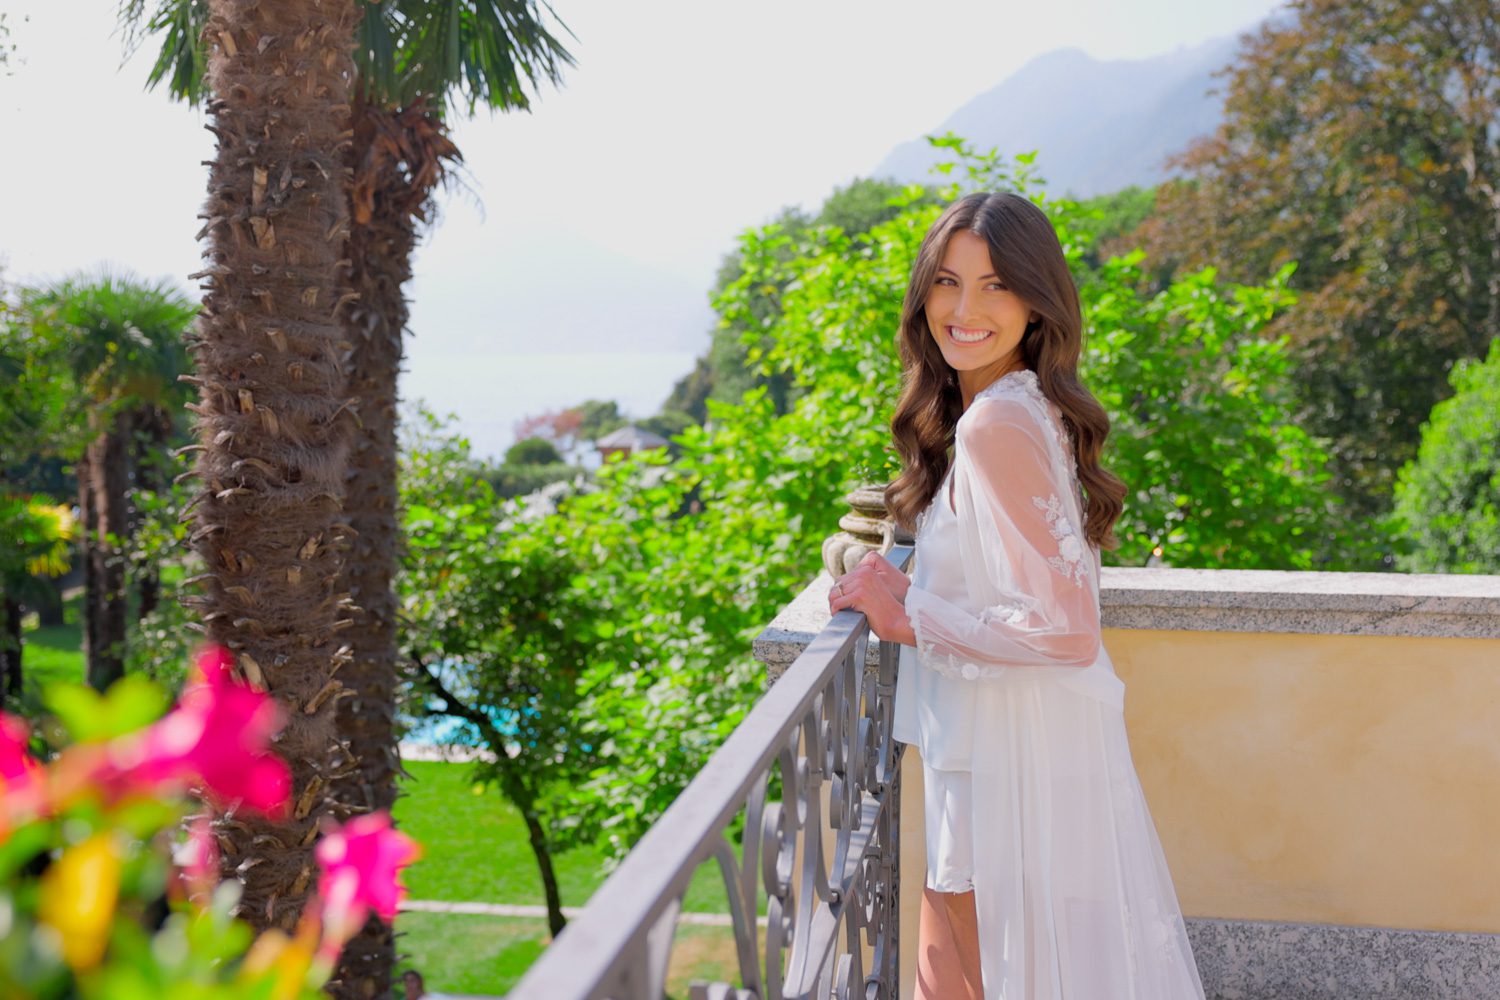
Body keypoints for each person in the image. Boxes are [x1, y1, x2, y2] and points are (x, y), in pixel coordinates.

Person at [827, 191, 1205, 999]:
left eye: (995, 285)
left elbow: (1065, 630)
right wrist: (910, 584)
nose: (964, 310)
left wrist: (906, 615)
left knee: (965, 981)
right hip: (993, 747)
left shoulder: (994, 423)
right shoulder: (1025, 403)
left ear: (1036, 301)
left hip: (996, 759)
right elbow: (1006, 577)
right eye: (947, 282)